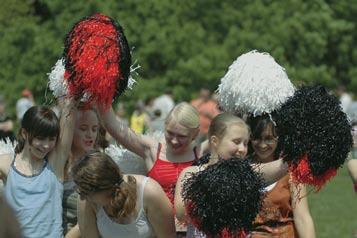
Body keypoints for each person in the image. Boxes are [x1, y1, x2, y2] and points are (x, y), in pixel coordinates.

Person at [98, 102, 207, 236]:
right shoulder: (153, 149)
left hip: (192, 232)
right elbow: (114, 127)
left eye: (182, 136)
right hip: (156, 231)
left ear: (195, 134)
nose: (174, 140)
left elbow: (228, 132)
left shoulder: (202, 153)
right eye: (170, 133)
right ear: (164, 126)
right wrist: (101, 93)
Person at [175, 113, 288, 237]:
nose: (242, 149)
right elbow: (181, 213)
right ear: (215, 141)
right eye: (236, 142)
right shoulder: (192, 173)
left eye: (245, 143)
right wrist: (212, 185)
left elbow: (283, 166)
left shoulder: (247, 175)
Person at [0, 101, 76, 238]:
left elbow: (69, 117)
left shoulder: (54, 165)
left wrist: (70, 101)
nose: (46, 145)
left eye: (52, 139)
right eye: (40, 138)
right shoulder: (6, 163)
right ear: (24, 133)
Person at [73, 151, 176, 238]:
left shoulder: (150, 192)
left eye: (86, 193)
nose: (82, 196)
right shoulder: (86, 200)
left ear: (105, 189)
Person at [247, 114, 315, 238]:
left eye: (268, 138)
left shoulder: (291, 168)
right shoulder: (242, 168)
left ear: (278, 138)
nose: (262, 145)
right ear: (250, 138)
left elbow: (302, 217)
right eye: (257, 138)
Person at [63, 107, 105, 238]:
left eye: (94, 129)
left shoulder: (100, 165)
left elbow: (93, 216)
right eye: (83, 128)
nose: (90, 134)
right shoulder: (56, 161)